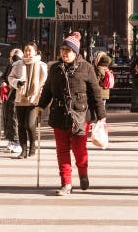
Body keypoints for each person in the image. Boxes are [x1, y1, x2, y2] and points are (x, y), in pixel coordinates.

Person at [38, 32, 106, 196]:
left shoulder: (87, 68)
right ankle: (66, 183)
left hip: (80, 115)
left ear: (75, 52)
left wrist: (101, 115)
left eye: (68, 50)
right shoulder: (54, 68)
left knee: (79, 149)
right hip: (59, 114)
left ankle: (83, 173)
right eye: (62, 50)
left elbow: (95, 93)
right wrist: (40, 106)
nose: (64, 53)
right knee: (62, 150)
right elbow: (47, 89)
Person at [8, 42, 48, 159]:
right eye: (26, 50)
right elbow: (11, 77)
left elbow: (45, 82)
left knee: (29, 124)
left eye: (30, 50)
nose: (27, 52)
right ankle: (23, 150)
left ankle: (33, 146)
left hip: (34, 98)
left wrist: (42, 93)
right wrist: (16, 83)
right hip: (21, 97)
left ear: (36, 52)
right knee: (21, 125)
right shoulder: (18, 64)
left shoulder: (42, 65)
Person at [1, 48, 23, 154]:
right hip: (9, 97)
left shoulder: (17, 65)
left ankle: (16, 142)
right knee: (10, 119)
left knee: (14, 119)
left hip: (15, 97)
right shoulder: (12, 65)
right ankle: (12, 141)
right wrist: (4, 82)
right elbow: (3, 77)